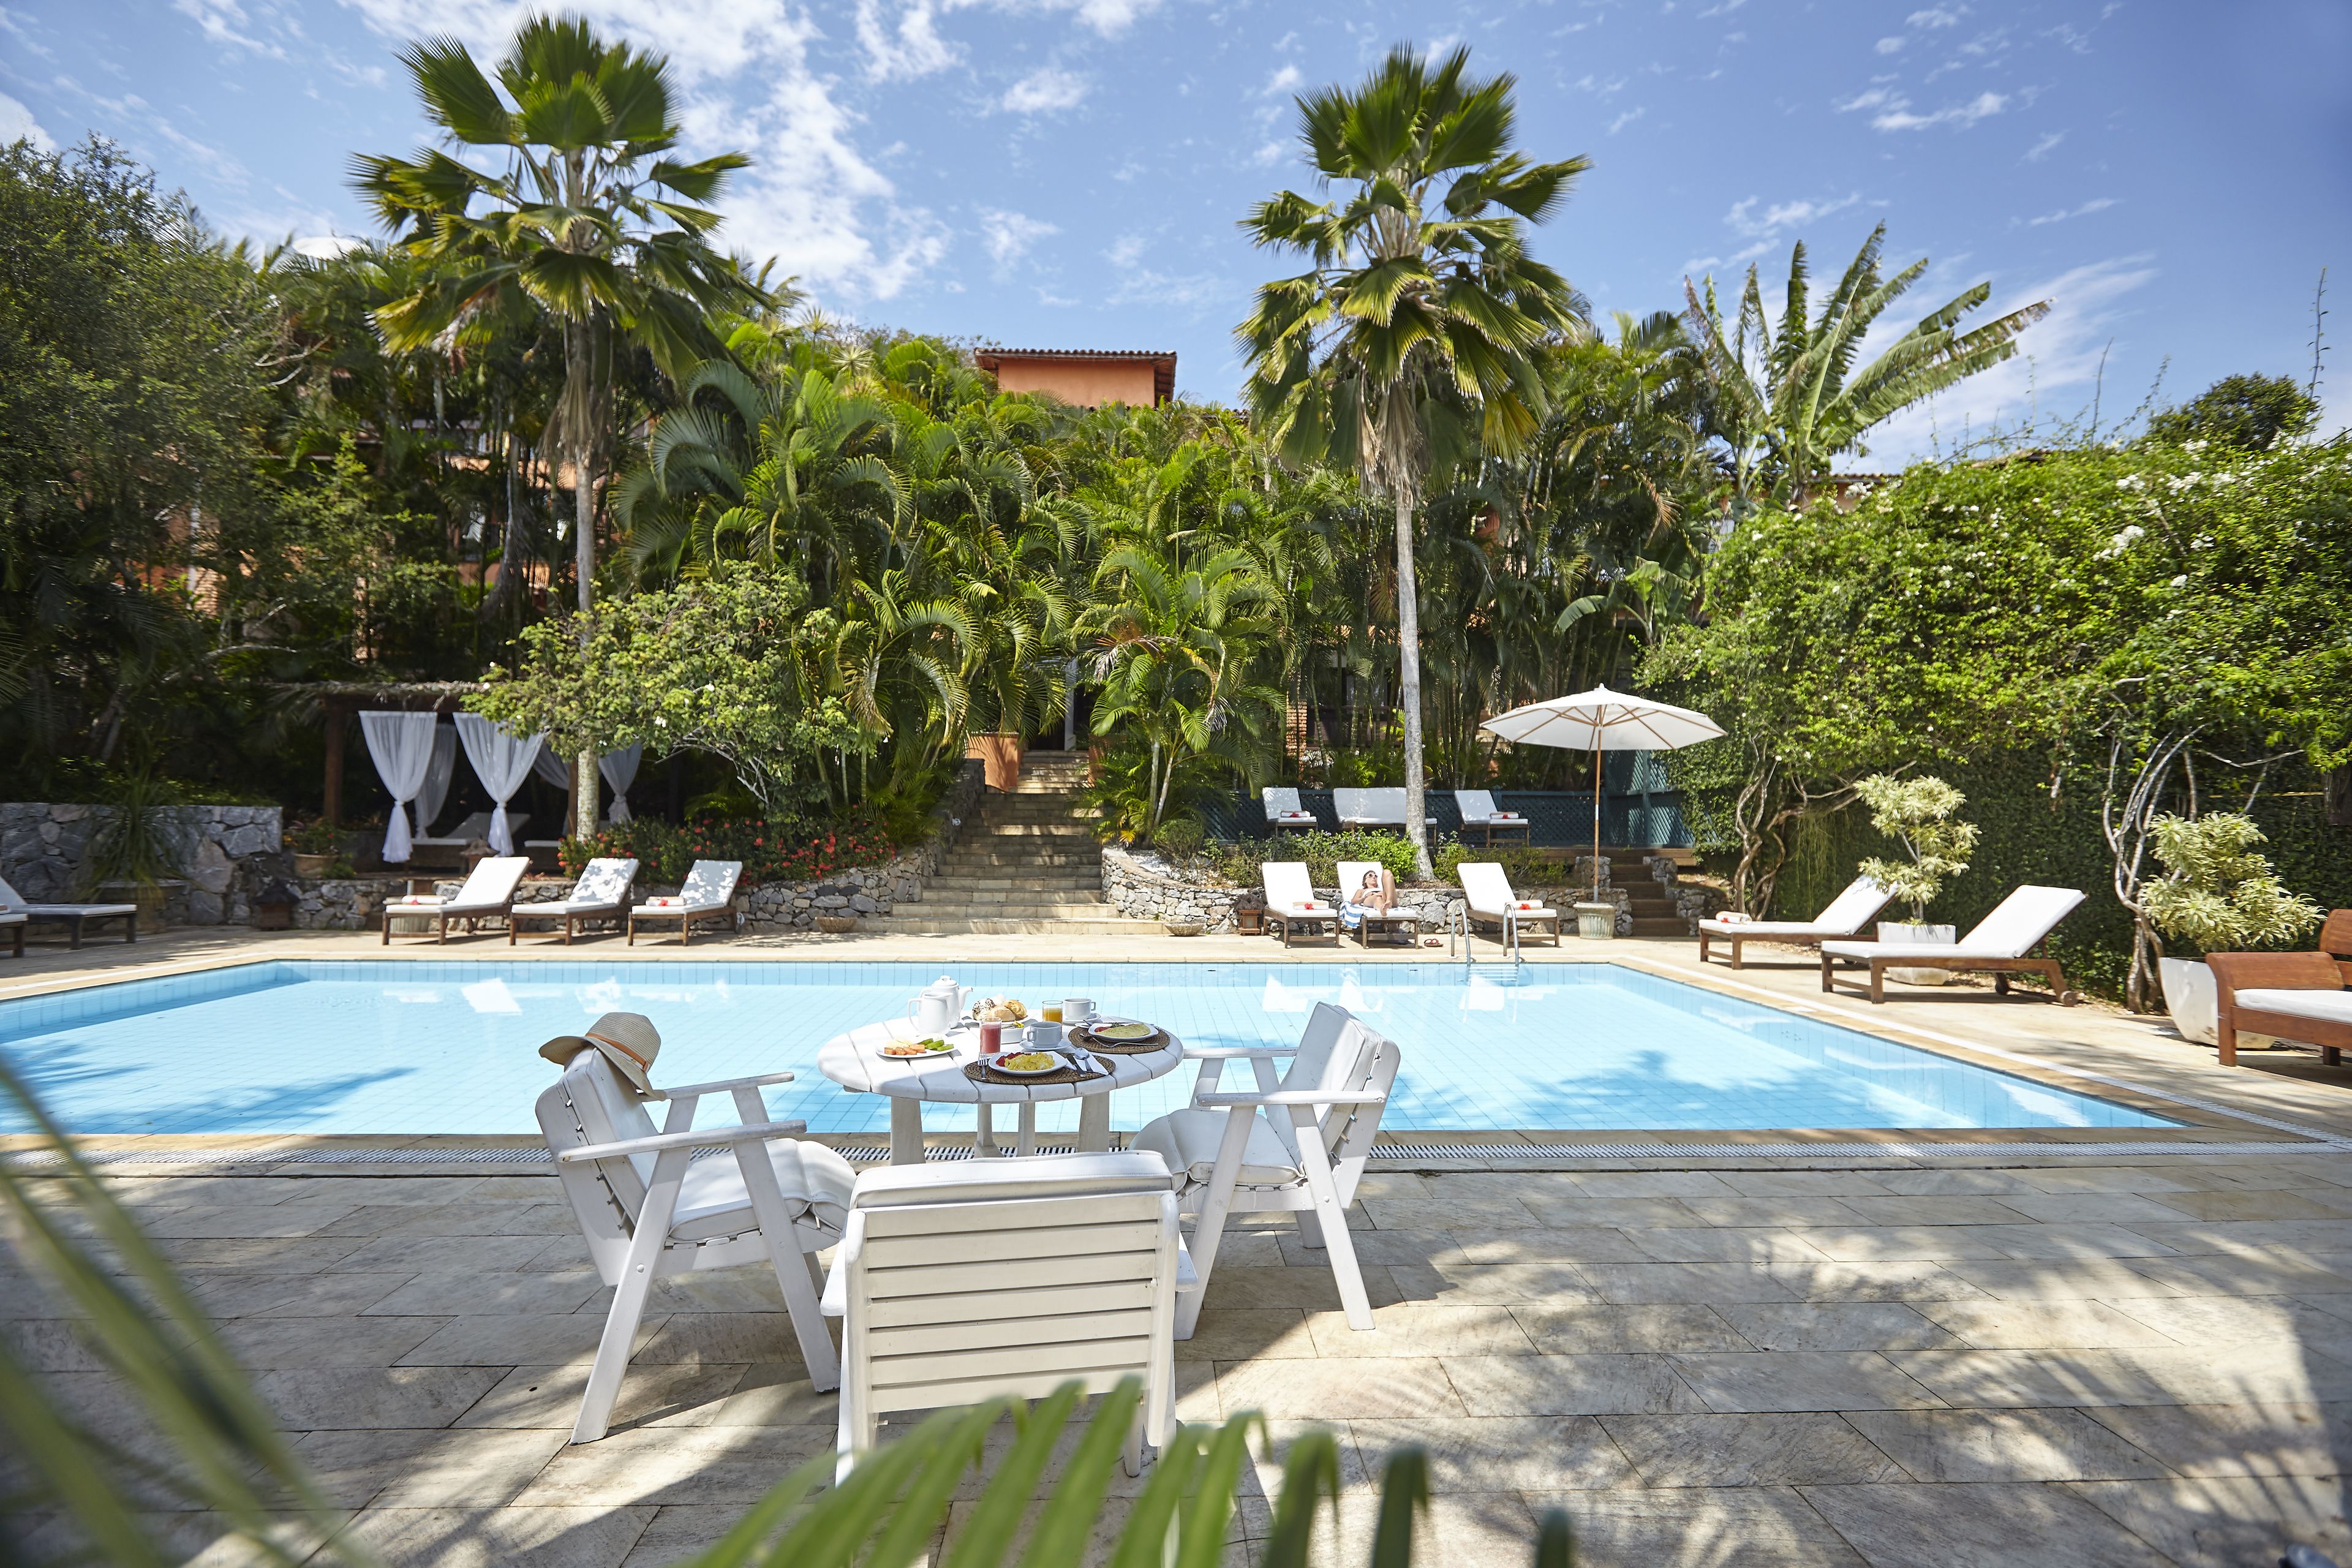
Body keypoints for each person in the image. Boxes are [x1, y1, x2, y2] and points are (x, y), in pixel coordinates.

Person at [1340, 864, 1396, 933]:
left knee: (1387, 873)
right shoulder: (1361, 891)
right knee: (1377, 898)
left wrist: (1381, 894)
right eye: (1370, 875)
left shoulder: (1380, 889)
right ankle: (1382, 908)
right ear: (1365, 881)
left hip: (1385, 897)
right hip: (1370, 899)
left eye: (1376, 876)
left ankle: (1389, 902)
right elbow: (1353, 902)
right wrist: (1365, 897)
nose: (1374, 877)